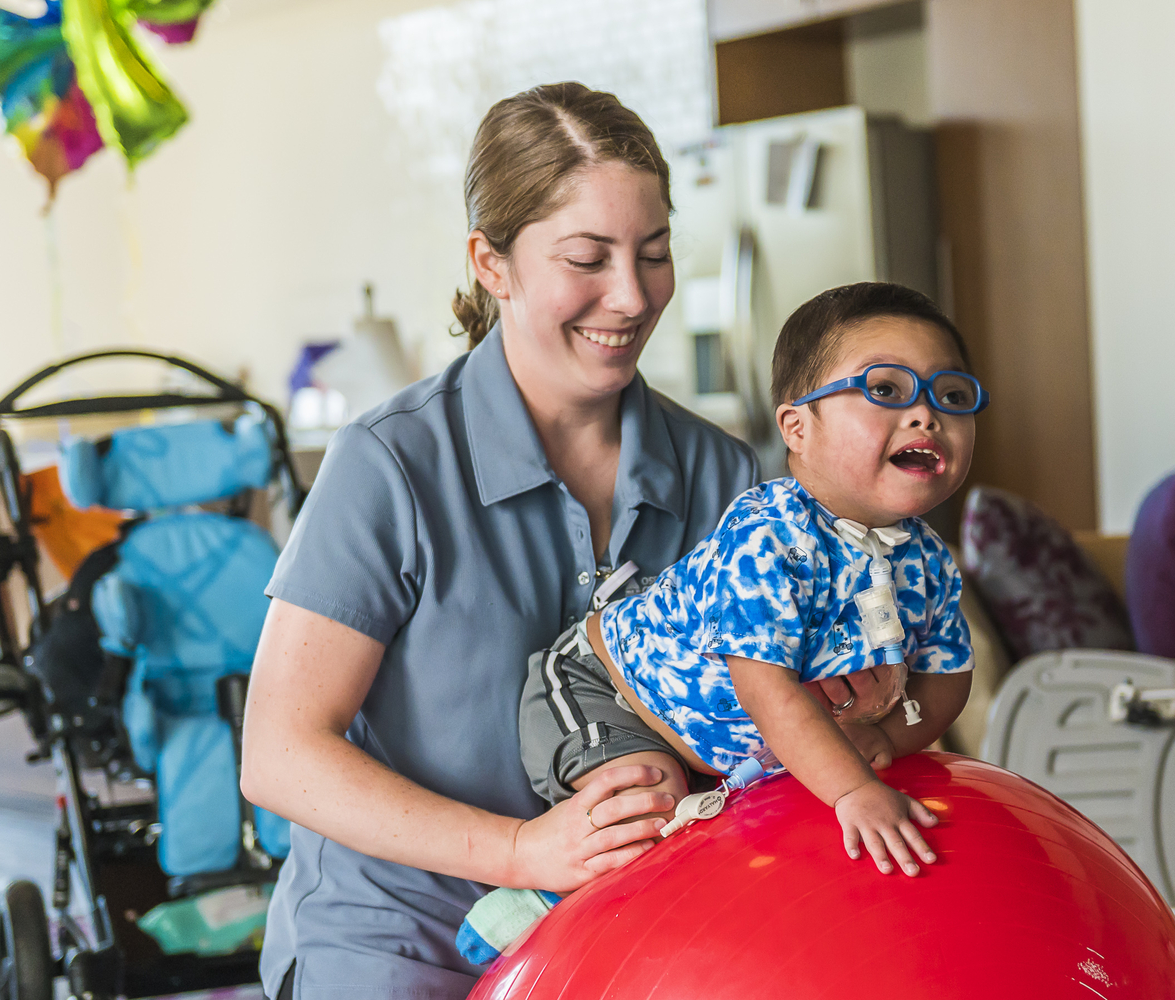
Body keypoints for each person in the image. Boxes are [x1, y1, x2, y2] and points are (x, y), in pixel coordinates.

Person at [239, 84, 901, 999]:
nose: (630, 297)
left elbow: (778, 722)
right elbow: (279, 753)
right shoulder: (389, 466)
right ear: (493, 263)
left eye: (655, 253)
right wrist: (519, 849)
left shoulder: (724, 476)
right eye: (587, 258)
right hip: (398, 944)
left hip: (638, 934)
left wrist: (855, 712)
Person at [458, 282, 982, 964]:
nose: (926, 416)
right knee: (650, 803)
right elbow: (765, 686)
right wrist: (852, 787)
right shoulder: (771, 535)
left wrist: (886, 737)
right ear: (798, 429)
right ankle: (541, 906)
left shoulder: (928, 562)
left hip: (733, 738)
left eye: (952, 396)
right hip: (612, 690)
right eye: (886, 390)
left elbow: (950, 676)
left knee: (765, 811)